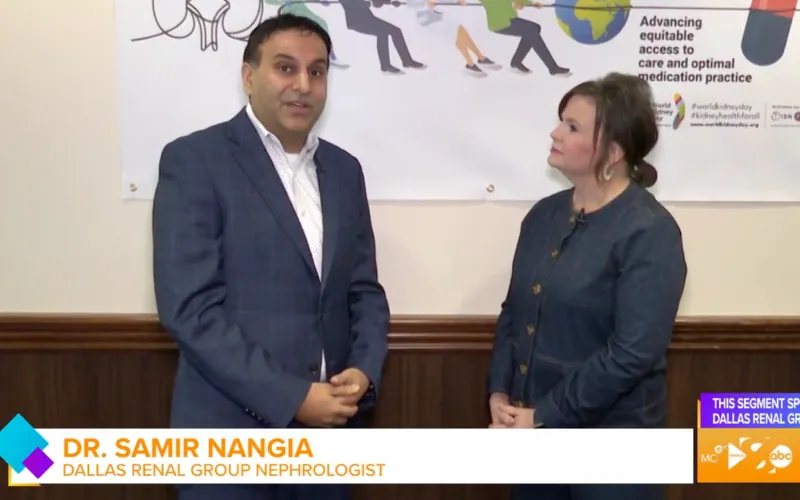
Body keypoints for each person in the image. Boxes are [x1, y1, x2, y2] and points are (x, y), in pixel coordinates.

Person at [152, 13, 390, 500]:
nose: (303, 85)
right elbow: (189, 309)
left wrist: (363, 372)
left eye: (317, 71)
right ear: (248, 76)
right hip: (226, 441)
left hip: (326, 444)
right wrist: (294, 397)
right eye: (285, 68)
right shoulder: (194, 160)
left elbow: (363, 290)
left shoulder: (345, 171)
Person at [486, 72, 687, 500]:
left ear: (613, 151)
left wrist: (544, 414)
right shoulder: (542, 216)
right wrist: (500, 393)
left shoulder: (649, 231)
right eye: (561, 121)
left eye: (572, 127)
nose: (555, 133)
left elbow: (633, 353)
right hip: (533, 435)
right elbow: (514, 313)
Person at [408, 0, 500, 77]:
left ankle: (477, 59)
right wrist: (425, 3)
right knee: (456, 30)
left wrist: (457, 1)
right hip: (425, 18)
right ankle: (474, 61)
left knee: (459, 30)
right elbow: (410, 3)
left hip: (437, 15)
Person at [477, 0, 570, 76]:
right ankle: (551, 67)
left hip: (510, 19)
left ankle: (517, 61)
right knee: (533, 30)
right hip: (500, 24)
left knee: (533, 31)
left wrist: (531, 4)